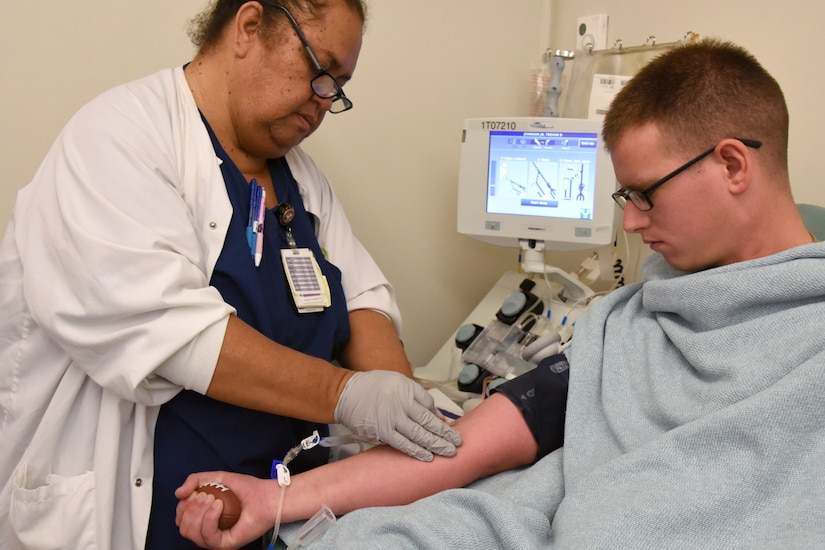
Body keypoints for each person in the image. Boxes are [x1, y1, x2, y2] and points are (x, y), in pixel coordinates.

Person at [175, 37, 825, 549]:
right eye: (623, 198)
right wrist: (273, 501)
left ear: (732, 164)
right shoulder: (629, 318)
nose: (628, 222)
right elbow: (469, 444)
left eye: (643, 195)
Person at [0, 1, 463, 548]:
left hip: (279, 512)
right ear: (248, 28)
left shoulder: (300, 182)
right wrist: (348, 393)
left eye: (337, 88)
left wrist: (401, 402)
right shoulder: (119, 138)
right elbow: (171, 333)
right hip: (145, 512)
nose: (322, 103)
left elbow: (360, 296)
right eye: (320, 71)